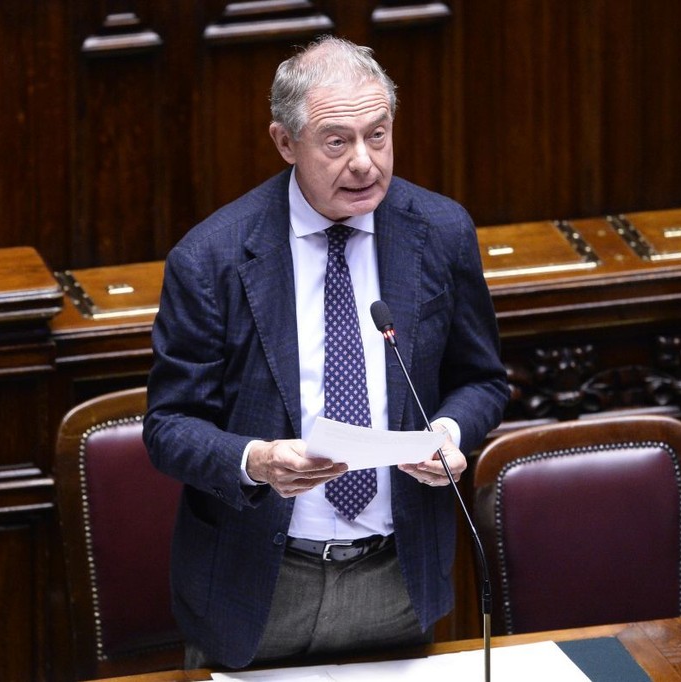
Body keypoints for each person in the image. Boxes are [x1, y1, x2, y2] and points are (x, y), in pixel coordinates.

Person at [143, 34, 508, 671]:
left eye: (378, 135)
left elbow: (482, 380)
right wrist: (256, 461)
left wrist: (448, 433)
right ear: (285, 142)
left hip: (396, 580)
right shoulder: (211, 258)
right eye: (337, 142)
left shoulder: (442, 232)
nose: (365, 162)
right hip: (257, 587)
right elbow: (169, 426)